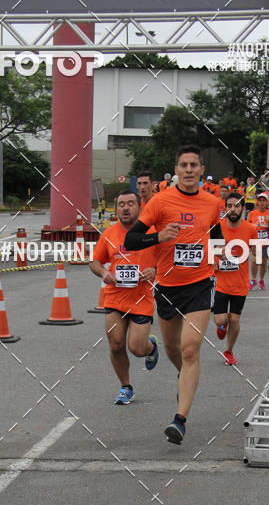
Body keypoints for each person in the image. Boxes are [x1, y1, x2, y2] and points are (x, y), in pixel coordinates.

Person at [124, 144, 223, 444]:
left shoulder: (212, 203)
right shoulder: (160, 201)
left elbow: (217, 235)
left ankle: (179, 420)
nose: (189, 170)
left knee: (190, 349)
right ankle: (185, 378)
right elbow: (131, 240)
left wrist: (219, 257)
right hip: (167, 287)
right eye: (184, 165)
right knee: (172, 349)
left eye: (194, 165)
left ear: (202, 170)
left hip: (200, 284)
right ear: (176, 170)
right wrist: (159, 236)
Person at [90, 191, 159, 403]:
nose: (126, 208)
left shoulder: (152, 233)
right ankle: (126, 387)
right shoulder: (109, 234)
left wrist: (155, 270)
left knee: (137, 348)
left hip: (141, 298)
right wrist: (104, 272)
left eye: (130, 204)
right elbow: (94, 262)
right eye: (121, 204)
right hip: (115, 297)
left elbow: (168, 258)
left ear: (139, 207)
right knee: (116, 344)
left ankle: (151, 346)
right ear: (116, 209)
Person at [212, 192, 252, 365]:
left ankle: (228, 351)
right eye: (229, 206)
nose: (233, 209)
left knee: (235, 319)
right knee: (220, 320)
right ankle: (223, 325)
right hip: (220, 282)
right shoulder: (217, 228)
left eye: (236, 206)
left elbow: (256, 251)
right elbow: (208, 248)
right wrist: (213, 261)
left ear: (243, 208)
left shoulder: (250, 229)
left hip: (240, 283)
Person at [247, 192, 269, 289]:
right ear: (257, 202)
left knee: (263, 263)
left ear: (267, 202)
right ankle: (253, 279)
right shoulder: (252, 213)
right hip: (255, 241)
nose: (262, 202)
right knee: (254, 261)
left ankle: (261, 280)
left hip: (265, 241)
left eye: (263, 200)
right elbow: (247, 226)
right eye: (260, 200)